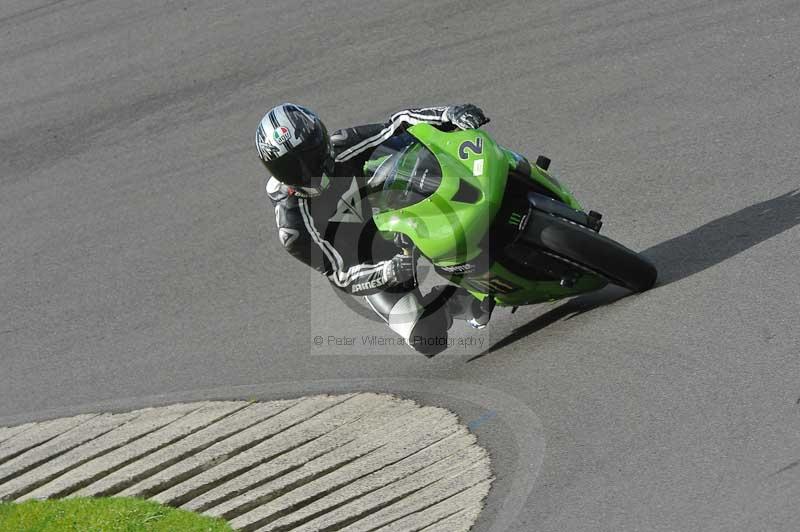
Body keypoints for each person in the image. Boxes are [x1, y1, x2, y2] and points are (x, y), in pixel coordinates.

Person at [256, 103, 491, 356]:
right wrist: (389, 271)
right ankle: (453, 301)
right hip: (374, 260)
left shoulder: (343, 145)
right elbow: (340, 274)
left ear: (320, 139)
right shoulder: (293, 227)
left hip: (402, 212)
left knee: (423, 163)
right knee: (427, 338)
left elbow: (398, 123)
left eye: (310, 156)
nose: (307, 170)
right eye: (293, 167)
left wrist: (448, 114)